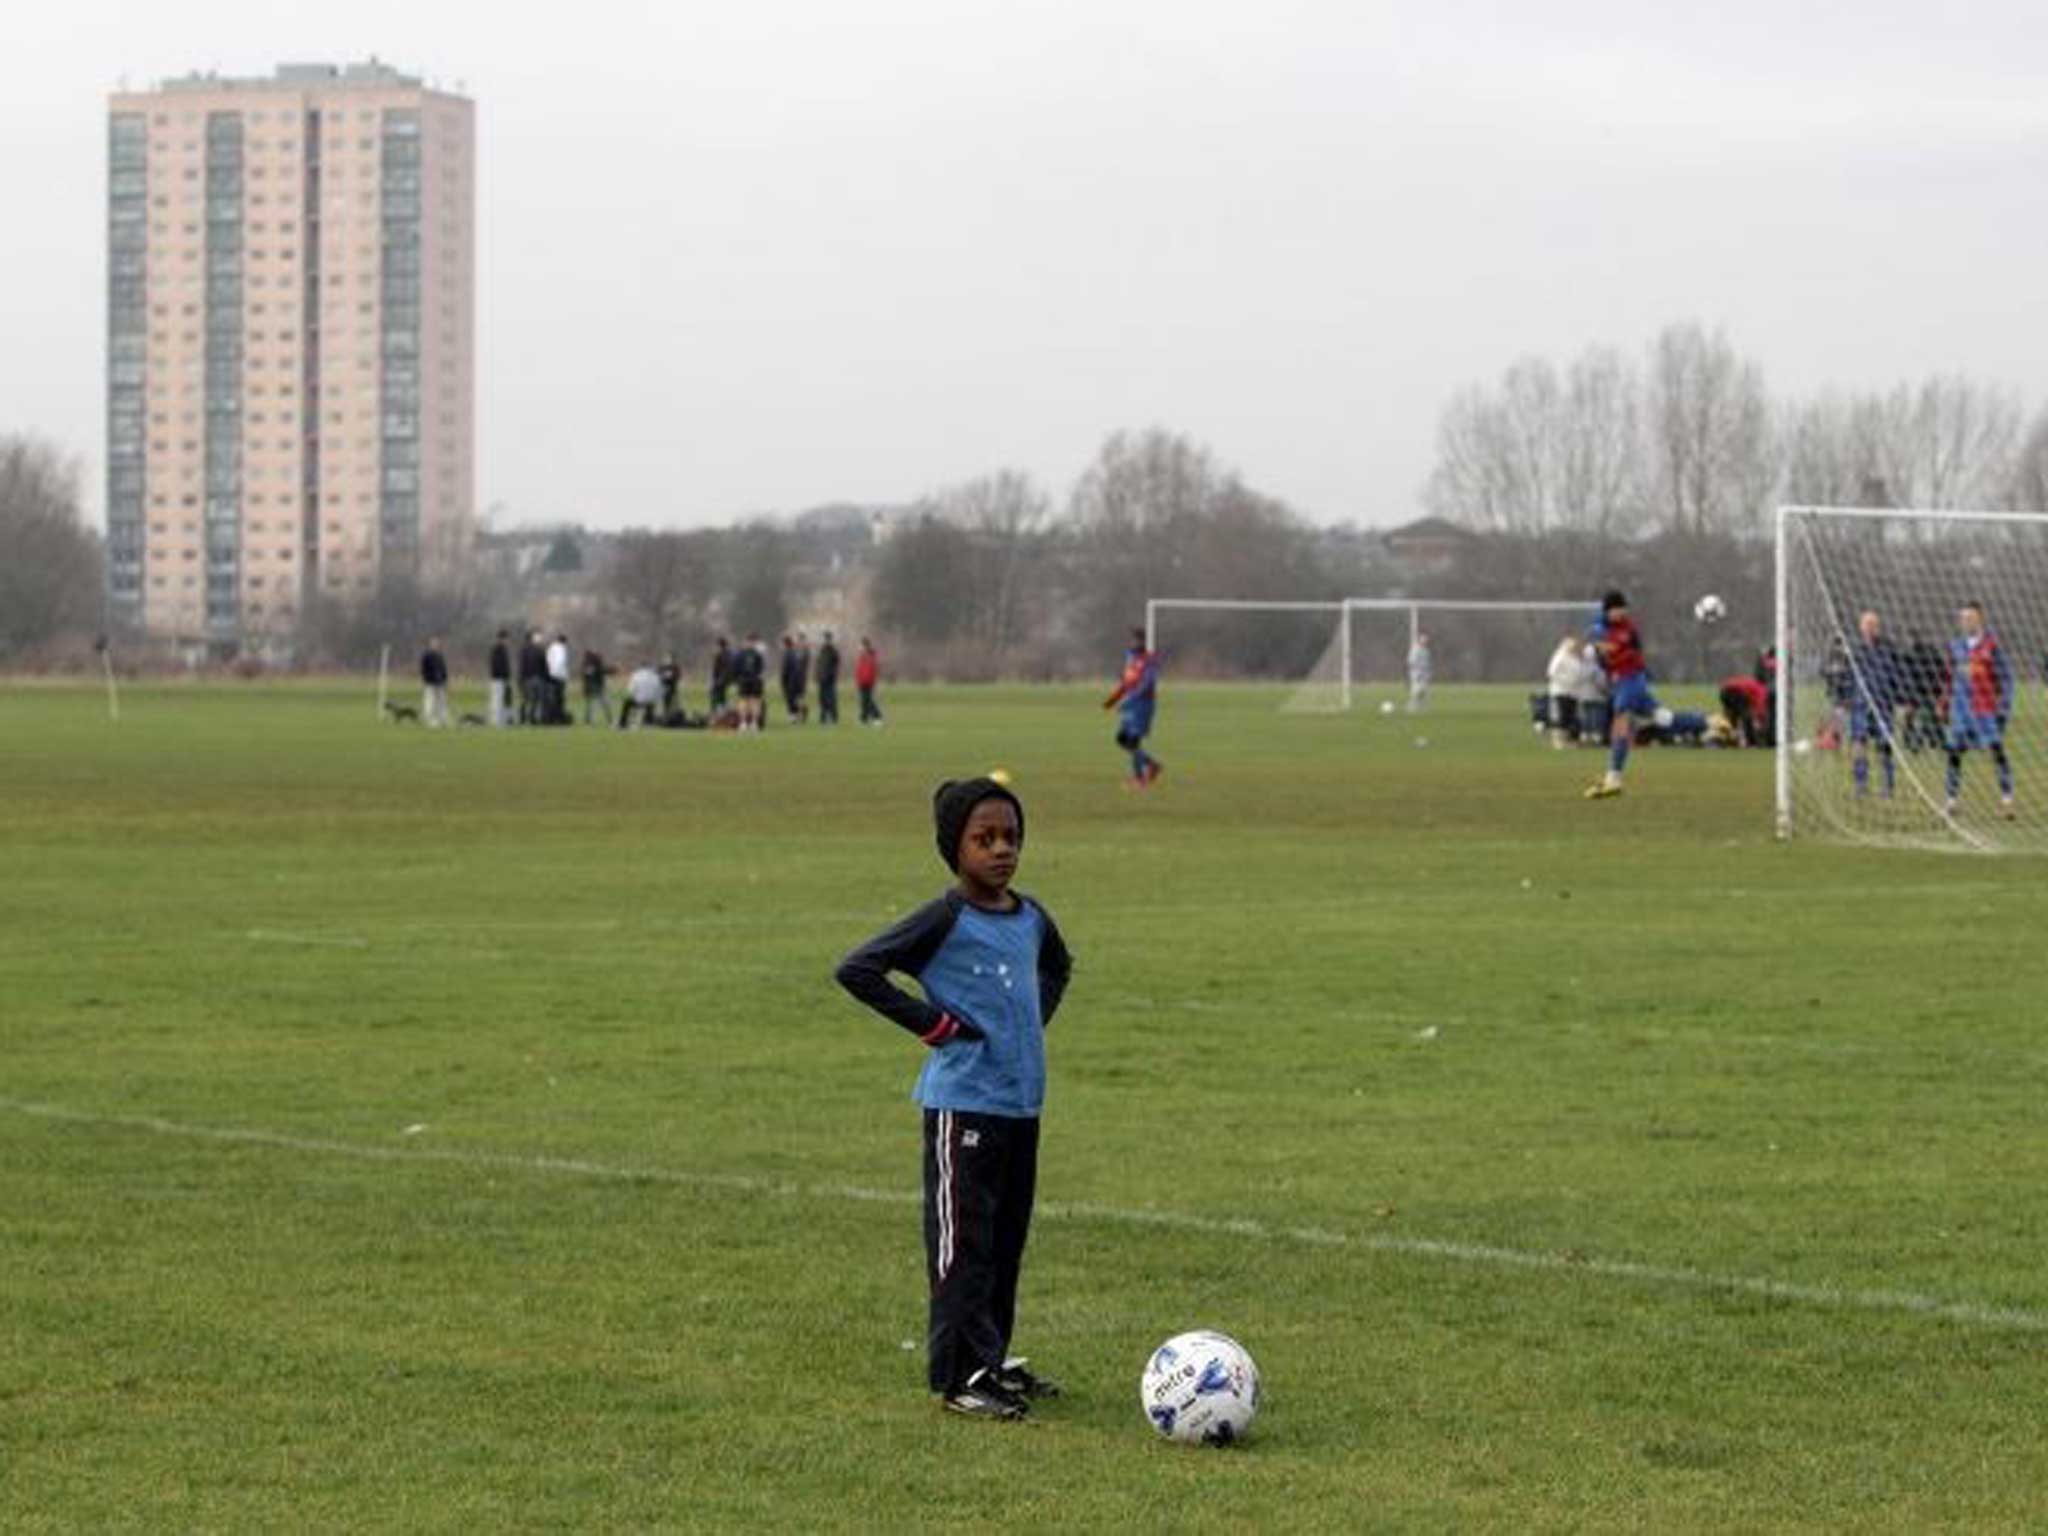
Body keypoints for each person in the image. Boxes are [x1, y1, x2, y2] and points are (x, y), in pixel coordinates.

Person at [833, 777, 1073, 1421]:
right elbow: (858, 969)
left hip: (1020, 1106)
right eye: (984, 839)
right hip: (962, 1108)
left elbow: (1059, 966)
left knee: (1003, 1240)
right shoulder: (943, 919)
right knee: (961, 1243)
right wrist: (936, 1027)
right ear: (954, 847)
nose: (1002, 850)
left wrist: (1028, 1022)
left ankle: (991, 1359)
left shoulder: (1030, 916)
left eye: (1011, 838)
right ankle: (957, 1374)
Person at [1583, 589, 1663, 800]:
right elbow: (1598, 647)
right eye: (1617, 610)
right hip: (1619, 681)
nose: (1621, 613)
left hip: (1632, 679)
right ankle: (1707, 723)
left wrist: (1612, 651)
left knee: (1621, 719)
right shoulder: (1598, 628)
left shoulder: (1628, 629)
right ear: (1607, 611)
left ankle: (1614, 777)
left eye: (1623, 609)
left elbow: (1628, 651)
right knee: (1665, 719)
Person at [1945, 599, 2015, 817]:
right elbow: (1949, 678)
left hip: (1984, 709)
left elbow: (2007, 680)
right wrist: (1944, 704)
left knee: (1997, 752)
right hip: (1961, 711)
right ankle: (1951, 801)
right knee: (1954, 754)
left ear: (1980, 619)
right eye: (1963, 618)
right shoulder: (1955, 646)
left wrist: (2003, 708)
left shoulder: (1992, 646)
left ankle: (2007, 801)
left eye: (1971, 618)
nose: (1967, 622)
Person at [1847, 610, 1901, 798]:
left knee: (1883, 747)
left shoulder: (1889, 649)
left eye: (1873, 624)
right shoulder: (1855, 651)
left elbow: (1897, 676)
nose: (1870, 628)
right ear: (1861, 627)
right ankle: (1860, 785)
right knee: (1858, 745)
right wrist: (1844, 699)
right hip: (1860, 705)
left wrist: (1897, 698)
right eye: (1866, 624)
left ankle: (1888, 786)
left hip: (1883, 704)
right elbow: (1849, 677)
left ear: (1878, 627)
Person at [1103, 627, 1162, 787]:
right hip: (1130, 704)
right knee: (1122, 739)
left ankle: (1140, 777)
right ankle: (1151, 765)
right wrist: (1113, 699)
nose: (1135, 643)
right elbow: (1126, 681)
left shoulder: (1149, 660)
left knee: (1133, 741)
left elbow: (1147, 684)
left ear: (1144, 641)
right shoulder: (1130, 657)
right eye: (1134, 639)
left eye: (1139, 640)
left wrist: (1130, 700)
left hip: (1143, 705)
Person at [1544, 634, 1583, 749]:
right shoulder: (1560, 656)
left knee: (1571, 717)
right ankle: (1558, 741)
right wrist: (1565, 681)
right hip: (1561, 691)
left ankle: (1570, 740)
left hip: (1573, 692)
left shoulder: (1575, 658)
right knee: (1563, 716)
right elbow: (1551, 672)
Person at [1717, 673, 1770, 748]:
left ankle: (1731, 739)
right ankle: (1751, 743)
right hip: (1736, 692)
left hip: (1724, 691)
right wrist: (1761, 719)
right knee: (1746, 718)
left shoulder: (1751, 683)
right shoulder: (1761, 688)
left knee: (1731, 717)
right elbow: (1760, 705)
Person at [733, 632, 767, 731]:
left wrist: (736, 679)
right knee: (754, 702)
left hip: (744, 680)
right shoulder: (758, 654)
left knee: (744, 701)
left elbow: (735, 668)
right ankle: (754, 723)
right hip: (755, 680)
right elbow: (761, 669)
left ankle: (743, 723)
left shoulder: (740, 654)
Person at [618, 663, 663, 730]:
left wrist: (634, 695)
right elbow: (659, 690)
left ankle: (623, 723)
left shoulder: (636, 675)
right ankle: (649, 722)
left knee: (627, 703)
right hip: (651, 701)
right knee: (650, 703)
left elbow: (631, 690)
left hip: (639, 700)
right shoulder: (655, 676)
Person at [419, 636, 450, 729]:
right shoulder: (427, 656)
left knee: (442, 701)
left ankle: (443, 719)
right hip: (430, 682)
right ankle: (430, 720)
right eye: (434, 643)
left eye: (437, 643)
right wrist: (428, 678)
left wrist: (445, 680)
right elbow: (424, 670)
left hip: (441, 683)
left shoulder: (440, 656)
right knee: (430, 701)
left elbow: (443, 669)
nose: (436, 645)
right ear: (430, 644)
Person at [517, 629, 546, 725]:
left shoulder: (522, 650)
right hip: (536, 677)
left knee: (525, 699)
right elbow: (543, 664)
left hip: (525, 678)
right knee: (535, 699)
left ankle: (522, 718)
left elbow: (521, 666)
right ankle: (532, 719)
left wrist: (520, 679)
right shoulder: (538, 649)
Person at [581, 647, 613, 727]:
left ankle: (588, 721)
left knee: (590, 705)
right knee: (604, 703)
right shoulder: (596, 663)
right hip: (597, 686)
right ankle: (609, 720)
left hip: (590, 687)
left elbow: (587, 675)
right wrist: (612, 670)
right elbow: (602, 671)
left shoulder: (586, 664)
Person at [487, 629, 512, 728]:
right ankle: (496, 721)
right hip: (498, 679)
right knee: (496, 700)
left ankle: (500, 720)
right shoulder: (497, 649)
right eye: (506, 639)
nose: (507, 641)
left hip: (501, 679)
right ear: (502, 638)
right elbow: (497, 665)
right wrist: (504, 676)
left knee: (500, 700)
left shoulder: (503, 649)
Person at [856, 637, 884, 726]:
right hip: (861, 682)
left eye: (861, 646)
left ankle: (877, 717)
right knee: (863, 701)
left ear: (865, 646)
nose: (859, 647)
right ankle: (863, 719)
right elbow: (859, 670)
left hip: (868, 682)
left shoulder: (870, 656)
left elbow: (873, 670)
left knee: (868, 701)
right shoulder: (862, 656)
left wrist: (874, 682)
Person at [546, 633, 572, 725]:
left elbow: (548, 661)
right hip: (559, 677)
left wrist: (550, 672)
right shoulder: (561, 649)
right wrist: (560, 674)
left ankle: (551, 718)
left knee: (552, 699)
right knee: (559, 699)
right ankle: (559, 718)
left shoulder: (551, 648)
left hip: (550, 676)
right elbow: (560, 661)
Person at [816, 631, 841, 725]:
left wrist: (831, 675)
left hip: (830, 679)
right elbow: (819, 664)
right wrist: (817, 675)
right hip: (822, 679)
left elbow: (836, 665)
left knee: (831, 699)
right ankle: (823, 717)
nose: (826, 641)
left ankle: (833, 718)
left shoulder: (833, 651)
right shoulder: (821, 650)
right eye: (825, 639)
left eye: (827, 639)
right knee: (822, 699)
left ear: (830, 639)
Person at [1406, 632, 1432, 713]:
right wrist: (1416, 673)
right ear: (1420, 641)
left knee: (1425, 691)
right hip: (1417, 673)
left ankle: (1422, 706)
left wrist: (1428, 672)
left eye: (1426, 641)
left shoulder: (1426, 651)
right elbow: (1411, 662)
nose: (1425, 642)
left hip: (1425, 673)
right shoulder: (1415, 650)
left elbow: (1427, 662)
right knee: (1417, 690)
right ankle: (1412, 705)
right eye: (1423, 641)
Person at [709, 638, 733, 715]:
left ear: (720, 646)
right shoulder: (726, 654)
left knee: (717, 697)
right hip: (720, 679)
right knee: (720, 697)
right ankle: (720, 712)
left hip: (721, 680)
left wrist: (719, 680)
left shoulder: (724, 655)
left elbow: (725, 669)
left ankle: (717, 713)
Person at [658, 653, 682, 721]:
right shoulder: (662, 667)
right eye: (667, 658)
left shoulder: (675, 667)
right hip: (664, 687)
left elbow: (678, 676)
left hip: (673, 687)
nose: (669, 660)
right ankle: (665, 715)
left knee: (674, 703)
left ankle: (673, 715)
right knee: (665, 702)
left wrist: (673, 677)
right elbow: (658, 675)